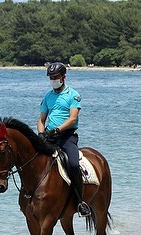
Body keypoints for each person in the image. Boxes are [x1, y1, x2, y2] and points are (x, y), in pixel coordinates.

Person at [37, 62, 91, 217]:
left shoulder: (73, 95)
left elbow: (73, 119)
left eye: (55, 77)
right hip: (49, 137)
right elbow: (41, 119)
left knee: (73, 164)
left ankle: (81, 202)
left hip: (67, 137)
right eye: (51, 77)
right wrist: (41, 133)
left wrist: (57, 130)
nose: (53, 79)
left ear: (63, 77)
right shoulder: (48, 96)